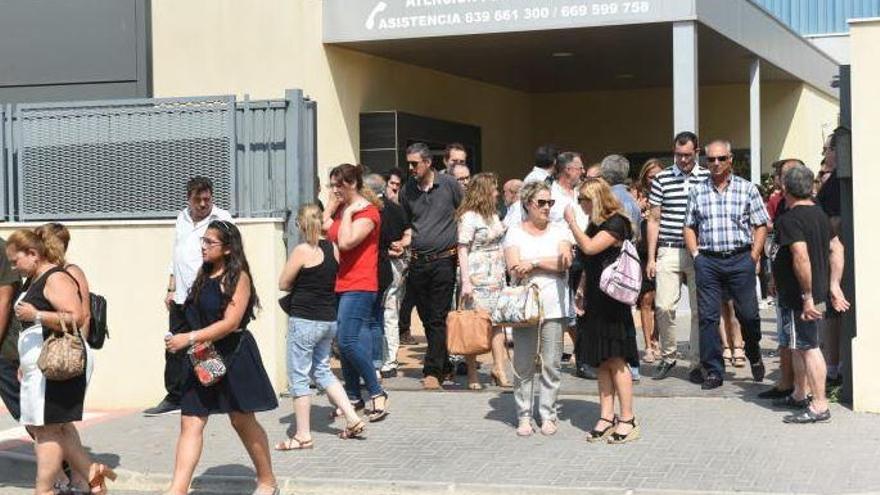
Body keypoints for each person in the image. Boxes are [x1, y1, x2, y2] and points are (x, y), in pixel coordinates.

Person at [163, 220, 277, 495]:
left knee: (241, 420)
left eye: (209, 242)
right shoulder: (204, 274)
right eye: (203, 241)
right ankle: (177, 489)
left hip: (233, 355)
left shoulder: (238, 278)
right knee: (190, 420)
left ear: (227, 249)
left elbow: (230, 322)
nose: (203, 247)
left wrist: (189, 338)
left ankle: (267, 481)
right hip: (202, 354)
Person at [7, 229, 115, 495]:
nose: (13, 266)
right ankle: (92, 475)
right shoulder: (35, 279)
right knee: (53, 428)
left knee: (47, 431)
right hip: (39, 367)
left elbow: (77, 317)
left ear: (33, 254)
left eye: (15, 260)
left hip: (56, 365)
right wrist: (25, 360)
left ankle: (44, 490)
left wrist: (37, 314)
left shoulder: (55, 277)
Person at [276, 204, 365, 450]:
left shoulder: (302, 250)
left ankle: (303, 434)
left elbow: (283, 282)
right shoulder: (333, 248)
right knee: (323, 371)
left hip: (304, 319)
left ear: (302, 226)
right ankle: (353, 418)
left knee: (298, 377)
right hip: (328, 319)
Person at [683, 139, 769, 390]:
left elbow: (761, 224)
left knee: (749, 315)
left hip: (740, 258)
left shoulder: (747, 189)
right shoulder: (697, 191)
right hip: (708, 261)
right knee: (708, 318)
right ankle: (714, 371)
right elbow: (689, 226)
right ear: (705, 161)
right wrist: (696, 255)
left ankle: (753, 352)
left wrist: (753, 255)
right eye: (711, 159)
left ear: (730, 159)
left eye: (721, 158)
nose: (716, 163)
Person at [147, 177, 233, 416]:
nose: (204, 204)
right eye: (198, 200)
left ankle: (217, 394)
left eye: (207, 199)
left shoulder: (222, 219)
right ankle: (174, 396)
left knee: (207, 344)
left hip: (206, 293)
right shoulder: (182, 218)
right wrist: (170, 288)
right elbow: (176, 255)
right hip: (181, 295)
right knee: (174, 344)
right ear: (189, 199)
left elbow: (231, 254)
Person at [771, 164, 849, 423]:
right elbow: (836, 248)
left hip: (803, 298)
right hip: (812, 294)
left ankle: (819, 405)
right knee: (800, 345)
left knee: (809, 348)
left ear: (785, 188)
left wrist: (806, 296)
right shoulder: (819, 214)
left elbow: (800, 256)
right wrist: (834, 285)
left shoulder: (790, 219)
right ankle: (798, 394)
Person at [565, 179, 641, 444]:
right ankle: (606, 416)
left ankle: (628, 418)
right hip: (596, 299)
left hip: (613, 301)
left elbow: (589, 248)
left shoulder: (616, 223)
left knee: (617, 358)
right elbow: (589, 262)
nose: (580, 205)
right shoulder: (594, 224)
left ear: (595, 199)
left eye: (583, 200)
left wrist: (571, 223)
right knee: (601, 360)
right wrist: (582, 288)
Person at [503, 182, 572, 437]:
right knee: (523, 363)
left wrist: (531, 263)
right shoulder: (514, 232)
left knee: (552, 363)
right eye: (541, 202)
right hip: (524, 307)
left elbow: (565, 262)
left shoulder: (560, 230)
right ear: (527, 204)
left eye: (550, 202)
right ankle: (523, 414)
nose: (546, 207)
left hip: (554, 305)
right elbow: (513, 267)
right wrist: (546, 264)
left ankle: (548, 414)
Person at [324, 164, 390, 419]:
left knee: (347, 341)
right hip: (343, 282)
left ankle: (376, 391)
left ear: (351, 184)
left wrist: (349, 213)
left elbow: (346, 241)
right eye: (332, 185)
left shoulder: (367, 212)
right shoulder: (343, 209)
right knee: (345, 340)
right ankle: (352, 395)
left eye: (337, 185)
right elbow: (322, 227)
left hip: (361, 284)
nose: (334, 190)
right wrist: (332, 206)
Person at [646, 131, 709, 381]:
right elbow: (654, 218)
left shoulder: (706, 177)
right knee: (663, 306)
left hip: (698, 250)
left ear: (697, 152)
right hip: (669, 247)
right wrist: (651, 257)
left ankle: (696, 362)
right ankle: (669, 356)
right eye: (678, 155)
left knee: (699, 310)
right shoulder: (661, 179)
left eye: (687, 155)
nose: (682, 160)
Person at [401, 143, 463, 390]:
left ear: (427, 162)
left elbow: (464, 211)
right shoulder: (408, 190)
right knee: (427, 318)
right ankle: (445, 364)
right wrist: (402, 241)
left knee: (437, 317)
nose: (411, 168)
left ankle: (432, 371)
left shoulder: (448, 184)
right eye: (409, 163)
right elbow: (408, 224)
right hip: (418, 261)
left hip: (444, 261)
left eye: (414, 163)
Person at [457, 173, 511, 389]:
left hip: (496, 275)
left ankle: (499, 368)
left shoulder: (493, 215)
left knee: (497, 323)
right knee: (475, 324)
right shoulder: (469, 217)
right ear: (484, 191)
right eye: (494, 189)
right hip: (477, 276)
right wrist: (466, 281)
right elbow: (462, 248)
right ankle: (472, 373)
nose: (497, 193)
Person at [365, 173, 411, 379]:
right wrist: (402, 244)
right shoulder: (396, 208)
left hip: (379, 265)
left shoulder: (372, 211)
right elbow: (409, 231)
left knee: (376, 316)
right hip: (396, 265)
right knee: (391, 312)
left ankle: (379, 360)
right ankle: (389, 360)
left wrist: (393, 248)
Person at [816, 131, 844, 388]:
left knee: (833, 313)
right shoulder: (834, 180)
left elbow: (835, 221)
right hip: (833, 256)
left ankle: (833, 368)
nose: (825, 154)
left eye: (827, 149)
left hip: (835, 257)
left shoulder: (837, 183)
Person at [635, 159, 664, 363]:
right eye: (651, 177)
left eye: (658, 177)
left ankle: (656, 338)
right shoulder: (637, 195)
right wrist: (638, 209)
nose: (654, 180)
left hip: (664, 250)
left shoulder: (667, 194)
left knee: (663, 302)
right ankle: (647, 345)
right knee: (645, 299)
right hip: (642, 253)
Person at [0, 237, 22, 422]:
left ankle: (61, 449)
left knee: (25, 410)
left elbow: (4, 301)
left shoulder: (2, 249)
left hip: (5, 346)